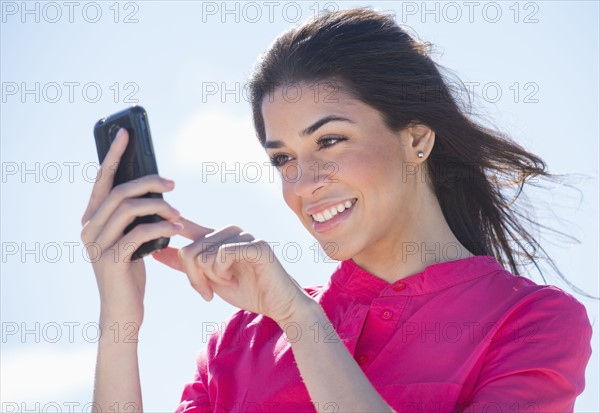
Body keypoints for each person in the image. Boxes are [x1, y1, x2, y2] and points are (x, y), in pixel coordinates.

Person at [81, 7, 593, 413]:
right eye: (283, 158)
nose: (304, 183)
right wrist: (120, 325)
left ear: (415, 138)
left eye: (329, 140)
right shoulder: (239, 342)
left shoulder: (532, 323)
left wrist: (301, 321)